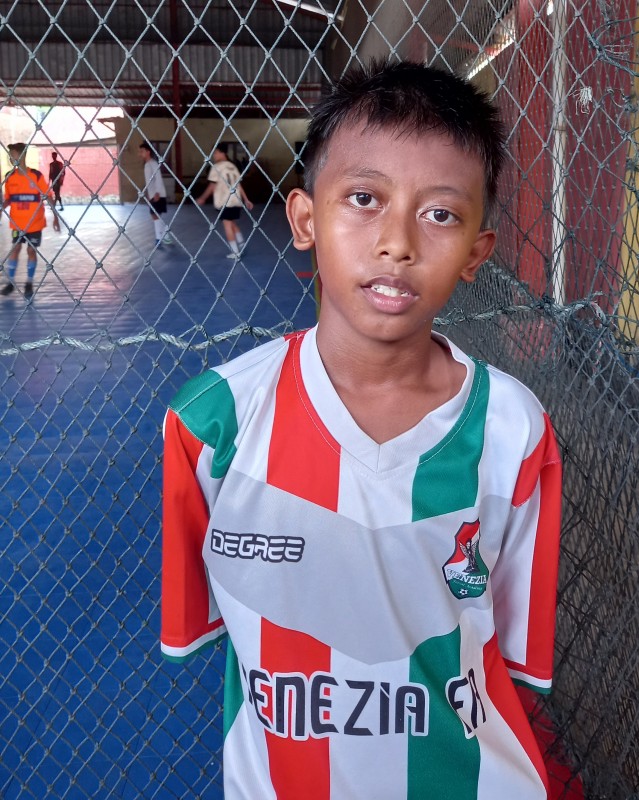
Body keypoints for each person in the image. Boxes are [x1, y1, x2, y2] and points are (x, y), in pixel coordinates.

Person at [161, 60, 562, 800]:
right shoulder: (214, 420)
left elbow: (507, 654)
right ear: (305, 221)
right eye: (364, 199)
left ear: (476, 254)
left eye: (440, 214)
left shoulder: (515, 430)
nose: (397, 242)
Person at [2, 142, 61, 298]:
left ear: (22, 156)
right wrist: (2, 208)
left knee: (31, 251)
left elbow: (48, 196)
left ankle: (29, 282)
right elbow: (8, 198)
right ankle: (11, 283)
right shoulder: (9, 177)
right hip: (17, 223)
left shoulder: (36, 176)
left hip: (35, 224)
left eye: (13, 155)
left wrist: (56, 217)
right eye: (10, 155)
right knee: (15, 249)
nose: (11, 158)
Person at [196, 142, 253, 259]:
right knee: (231, 222)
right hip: (236, 200)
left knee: (227, 225)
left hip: (225, 201)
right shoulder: (233, 166)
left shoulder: (217, 167)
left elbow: (212, 185)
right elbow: (239, 184)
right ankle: (241, 243)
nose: (214, 155)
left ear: (222, 153)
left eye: (215, 153)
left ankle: (235, 252)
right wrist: (246, 199)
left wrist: (203, 198)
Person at [138, 140, 172, 246]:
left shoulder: (153, 163)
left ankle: (163, 236)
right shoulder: (147, 164)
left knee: (155, 215)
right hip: (153, 194)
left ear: (148, 152)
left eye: (142, 151)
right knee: (155, 215)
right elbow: (150, 182)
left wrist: (157, 193)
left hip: (158, 194)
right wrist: (150, 194)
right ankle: (161, 236)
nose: (140, 154)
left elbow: (158, 178)